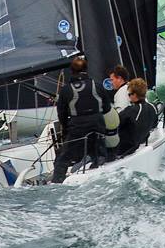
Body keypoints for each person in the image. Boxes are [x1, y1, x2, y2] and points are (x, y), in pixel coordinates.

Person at [51, 55, 120, 183]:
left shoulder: (66, 90)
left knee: (62, 159)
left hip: (77, 128)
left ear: (72, 70)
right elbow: (106, 108)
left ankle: (56, 183)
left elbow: (62, 114)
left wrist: (66, 129)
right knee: (98, 154)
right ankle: (97, 168)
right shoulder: (97, 86)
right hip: (98, 126)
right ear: (86, 69)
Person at [111, 78, 158, 158]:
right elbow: (154, 125)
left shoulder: (131, 111)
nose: (129, 97)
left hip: (124, 148)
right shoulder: (153, 107)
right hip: (141, 142)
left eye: (129, 94)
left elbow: (115, 123)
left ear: (135, 95)